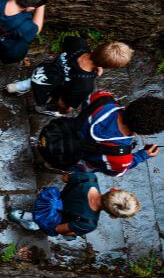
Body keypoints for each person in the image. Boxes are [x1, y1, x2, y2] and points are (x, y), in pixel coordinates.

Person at [6, 38, 133, 116]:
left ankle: (18, 86)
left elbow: (66, 43)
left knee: (36, 80)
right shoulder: (85, 84)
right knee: (42, 101)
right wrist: (66, 110)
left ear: (98, 47)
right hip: (49, 88)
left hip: (44, 71)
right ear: (109, 67)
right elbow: (63, 102)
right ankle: (41, 109)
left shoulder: (78, 44)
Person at [8, 171, 140, 239]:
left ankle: (35, 214)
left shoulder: (89, 178)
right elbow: (58, 229)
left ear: (113, 189)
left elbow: (64, 178)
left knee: (48, 204)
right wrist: (73, 234)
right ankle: (35, 222)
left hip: (51, 199)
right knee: (68, 233)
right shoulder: (89, 223)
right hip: (55, 217)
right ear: (112, 216)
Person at [74, 92, 162, 177]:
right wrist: (143, 155)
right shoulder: (122, 158)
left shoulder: (103, 97)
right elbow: (115, 172)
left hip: (65, 130)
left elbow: (86, 103)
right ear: (143, 134)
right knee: (89, 167)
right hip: (74, 160)